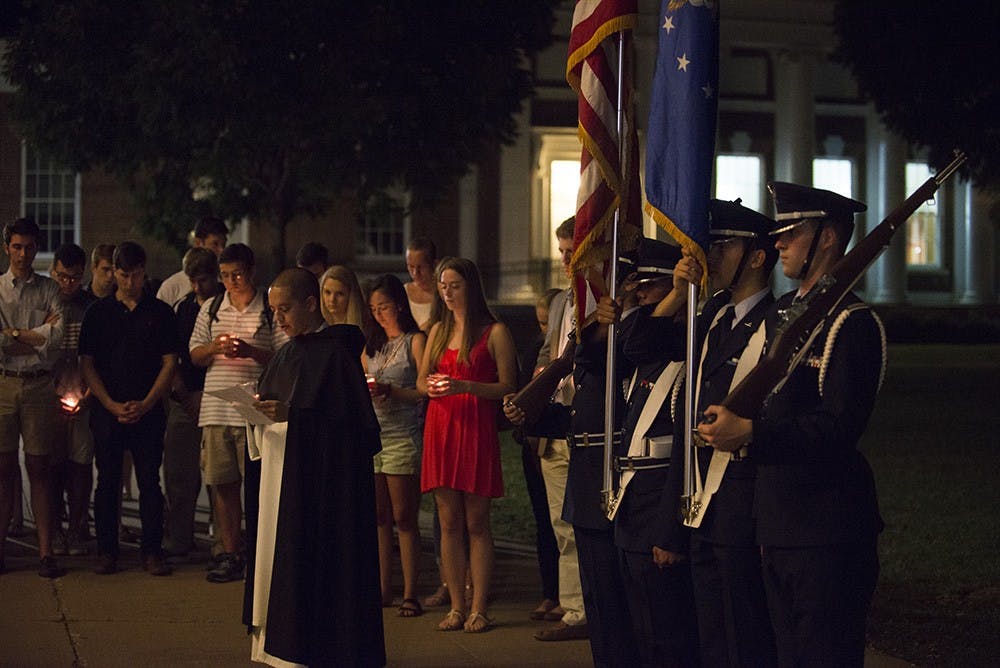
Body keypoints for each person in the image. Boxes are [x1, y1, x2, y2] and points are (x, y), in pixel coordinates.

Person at [699, 183, 886, 667]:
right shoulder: (783, 315)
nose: (778, 242)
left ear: (827, 238)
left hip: (827, 527)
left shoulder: (852, 322)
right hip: (776, 521)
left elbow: (838, 427)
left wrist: (754, 434)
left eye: (791, 233)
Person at [246, 267, 385, 667]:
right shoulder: (287, 353)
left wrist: (294, 415)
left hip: (321, 489)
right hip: (278, 474)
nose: (279, 319)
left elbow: (351, 431)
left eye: (285, 309)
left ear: (310, 304)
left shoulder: (337, 354)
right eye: (273, 311)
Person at [674, 198, 779, 667]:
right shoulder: (713, 318)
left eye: (724, 245)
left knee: (745, 633)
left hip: (742, 497)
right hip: (703, 498)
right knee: (711, 632)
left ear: (757, 256)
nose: (710, 255)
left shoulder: (776, 326)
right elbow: (642, 345)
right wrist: (679, 291)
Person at [602, 239, 701, 668]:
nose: (638, 295)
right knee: (641, 633)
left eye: (649, 287)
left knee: (669, 638)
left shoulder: (687, 342)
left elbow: (683, 456)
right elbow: (626, 346)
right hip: (632, 508)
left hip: (659, 509)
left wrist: (669, 531)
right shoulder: (649, 346)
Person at [417, 257, 517, 633]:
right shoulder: (438, 331)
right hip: (441, 428)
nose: (447, 292)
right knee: (448, 522)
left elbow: (509, 385)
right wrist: (431, 387)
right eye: (443, 286)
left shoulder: (495, 332)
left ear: (470, 287)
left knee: (477, 522)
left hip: (475, 428)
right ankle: (456, 605)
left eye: (454, 285)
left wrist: (467, 386)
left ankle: (479, 607)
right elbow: (422, 381)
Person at [504, 217, 589, 642]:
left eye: (571, 249)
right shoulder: (561, 304)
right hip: (556, 423)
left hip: (587, 421)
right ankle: (573, 608)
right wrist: (532, 394)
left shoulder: (599, 298)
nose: (565, 259)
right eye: (560, 251)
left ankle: (594, 606)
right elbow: (547, 352)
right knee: (561, 524)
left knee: (586, 521)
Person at [189, 243, 287, 583]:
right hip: (217, 409)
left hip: (252, 409)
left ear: (252, 271)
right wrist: (216, 347)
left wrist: (251, 351)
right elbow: (194, 353)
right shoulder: (212, 308)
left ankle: (260, 554)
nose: (232, 282)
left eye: (238, 274)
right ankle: (229, 552)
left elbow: (282, 356)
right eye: (226, 276)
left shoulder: (267, 309)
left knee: (257, 487)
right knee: (222, 485)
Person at [79, 241, 177, 576]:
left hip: (147, 410)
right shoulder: (98, 313)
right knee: (107, 481)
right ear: (114, 272)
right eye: (123, 275)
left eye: (136, 275)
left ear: (143, 271)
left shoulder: (160, 313)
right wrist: (108, 403)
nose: (130, 282)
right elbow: (87, 363)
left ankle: (152, 551)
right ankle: (107, 550)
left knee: (150, 480)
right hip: (108, 409)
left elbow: (169, 362)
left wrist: (148, 402)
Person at [0, 217, 65, 577]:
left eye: (28, 247)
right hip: (4, 382)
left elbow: (57, 335)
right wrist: (34, 335)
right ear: (7, 247)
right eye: (17, 247)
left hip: (40, 384)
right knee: (3, 467)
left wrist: (13, 333)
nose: (23, 254)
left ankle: (45, 552)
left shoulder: (48, 289)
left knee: (40, 467)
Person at [362, 274, 427, 616]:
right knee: (378, 516)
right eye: (373, 308)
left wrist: (392, 392)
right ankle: (383, 587)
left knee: (404, 516)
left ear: (399, 305)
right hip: (374, 435)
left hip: (402, 434)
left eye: (384, 306)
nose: (379, 314)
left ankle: (411, 591)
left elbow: (423, 391)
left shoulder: (414, 341)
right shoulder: (371, 345)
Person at [162, 247, 222, 556]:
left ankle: (222, 540)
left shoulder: (224, 307)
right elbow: (171, 355)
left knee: (219, 474)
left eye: (202, 280)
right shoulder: (181, 309)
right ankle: (180, 536)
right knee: (179, 473)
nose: (197, 288)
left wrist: (205, 394)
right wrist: (182, 392)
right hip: (183, 399)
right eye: (192, 281)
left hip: (216, 398)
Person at [512, 288, 562, 622]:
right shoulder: (535, 350)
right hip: (535, 443)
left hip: (557, 436)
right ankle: (549, 591)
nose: (544, 330)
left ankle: (563, 593)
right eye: (541, 323)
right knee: (544, 520)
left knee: (561, 522)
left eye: (549, 323)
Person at [49, 243, 98, 558]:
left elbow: (99, 357)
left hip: (84, 395)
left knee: (81, 464)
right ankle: (53, 529)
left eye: (75, 278)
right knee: (51, 465)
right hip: (49, 395)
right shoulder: (45, 302)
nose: (69, 283)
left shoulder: (91, 307)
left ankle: (78, 526)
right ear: (54, 271)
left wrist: (89, 394)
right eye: (63, 277)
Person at [156, 217, 228, 308]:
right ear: (198, 243)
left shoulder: (227, 284)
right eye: (215, 244)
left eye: (224, 245)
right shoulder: (173, 286)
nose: (222, 251)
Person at [404, 237, 437, 331]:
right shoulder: (403, 292)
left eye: (421, 267)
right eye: (411, 266)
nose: (415, 273)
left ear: (434, 264)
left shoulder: (444, 295)